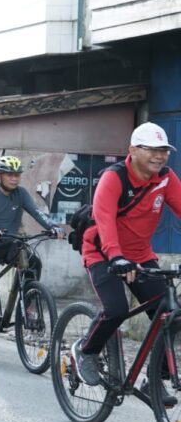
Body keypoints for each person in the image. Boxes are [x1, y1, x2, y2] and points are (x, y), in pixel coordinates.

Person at [72, 122, 181, 404]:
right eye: (152, 150)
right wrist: (116, 257)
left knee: (167, 312)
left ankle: (153, 380)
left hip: (141, 255)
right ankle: (86, 351)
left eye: (164, 151)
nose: (159, 156)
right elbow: (104, 219)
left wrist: (132, 258)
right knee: (116, 309)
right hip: (102, 253)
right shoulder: (114, 178)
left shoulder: (166, 178)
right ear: (132, 150)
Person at [0, 155, 65, 340]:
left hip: (8, 244)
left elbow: (36, 212)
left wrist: (52, 227)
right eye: (9, 174)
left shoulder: (20, 193)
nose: (14, 178)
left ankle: (27, 306)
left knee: (33, 263)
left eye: (17, 175)